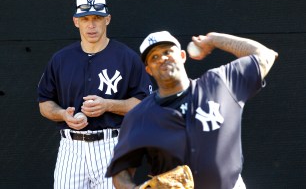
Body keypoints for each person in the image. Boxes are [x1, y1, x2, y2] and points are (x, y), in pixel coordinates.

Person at [105, 31, 278, 188]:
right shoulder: (139, 116)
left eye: (167, 52)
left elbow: (265, 55)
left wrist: (214, 40)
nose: (162, 59)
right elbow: (121, 173)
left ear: (182, 56)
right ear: (149, 70)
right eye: (154, 57)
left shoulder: (220, 84)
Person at [37, 0, 152, 189]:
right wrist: (63, 114)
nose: (91, 25)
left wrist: (108, 105)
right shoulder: (60, 59)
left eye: (97, 18)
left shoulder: (127, 57)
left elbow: (145, 104)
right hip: (71, 148)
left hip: (111, 145)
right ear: (76, 21)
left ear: (107, 19)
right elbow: (44, 103)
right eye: (85, 19)